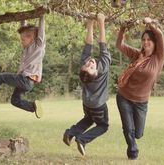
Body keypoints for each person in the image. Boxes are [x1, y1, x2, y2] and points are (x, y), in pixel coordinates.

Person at [115, 17, 164, 160]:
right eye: (143, 40)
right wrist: (123, 28)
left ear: (154, 43)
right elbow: (119, 45)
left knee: (138, 133)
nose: (145, 42)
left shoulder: (158, 58)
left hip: (141, 102)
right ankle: (133, 152)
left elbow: (160, 35)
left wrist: (150, 23)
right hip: (124, 96)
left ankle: (134, 141)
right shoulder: (137, 55)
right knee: (128, 128)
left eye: (149, 40)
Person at [63, 13, 111, 156]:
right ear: (95, 73)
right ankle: (82, 139)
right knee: (103, 125)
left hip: (87, 104)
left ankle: (71, 133)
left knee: (89, 119)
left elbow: (88, 45)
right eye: (90, 66)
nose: (89, 63)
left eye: (88, 64)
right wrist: (101, 22)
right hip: (98, 106)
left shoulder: (85, 69)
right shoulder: (102, 68)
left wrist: (90, 23)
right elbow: (103, 44)